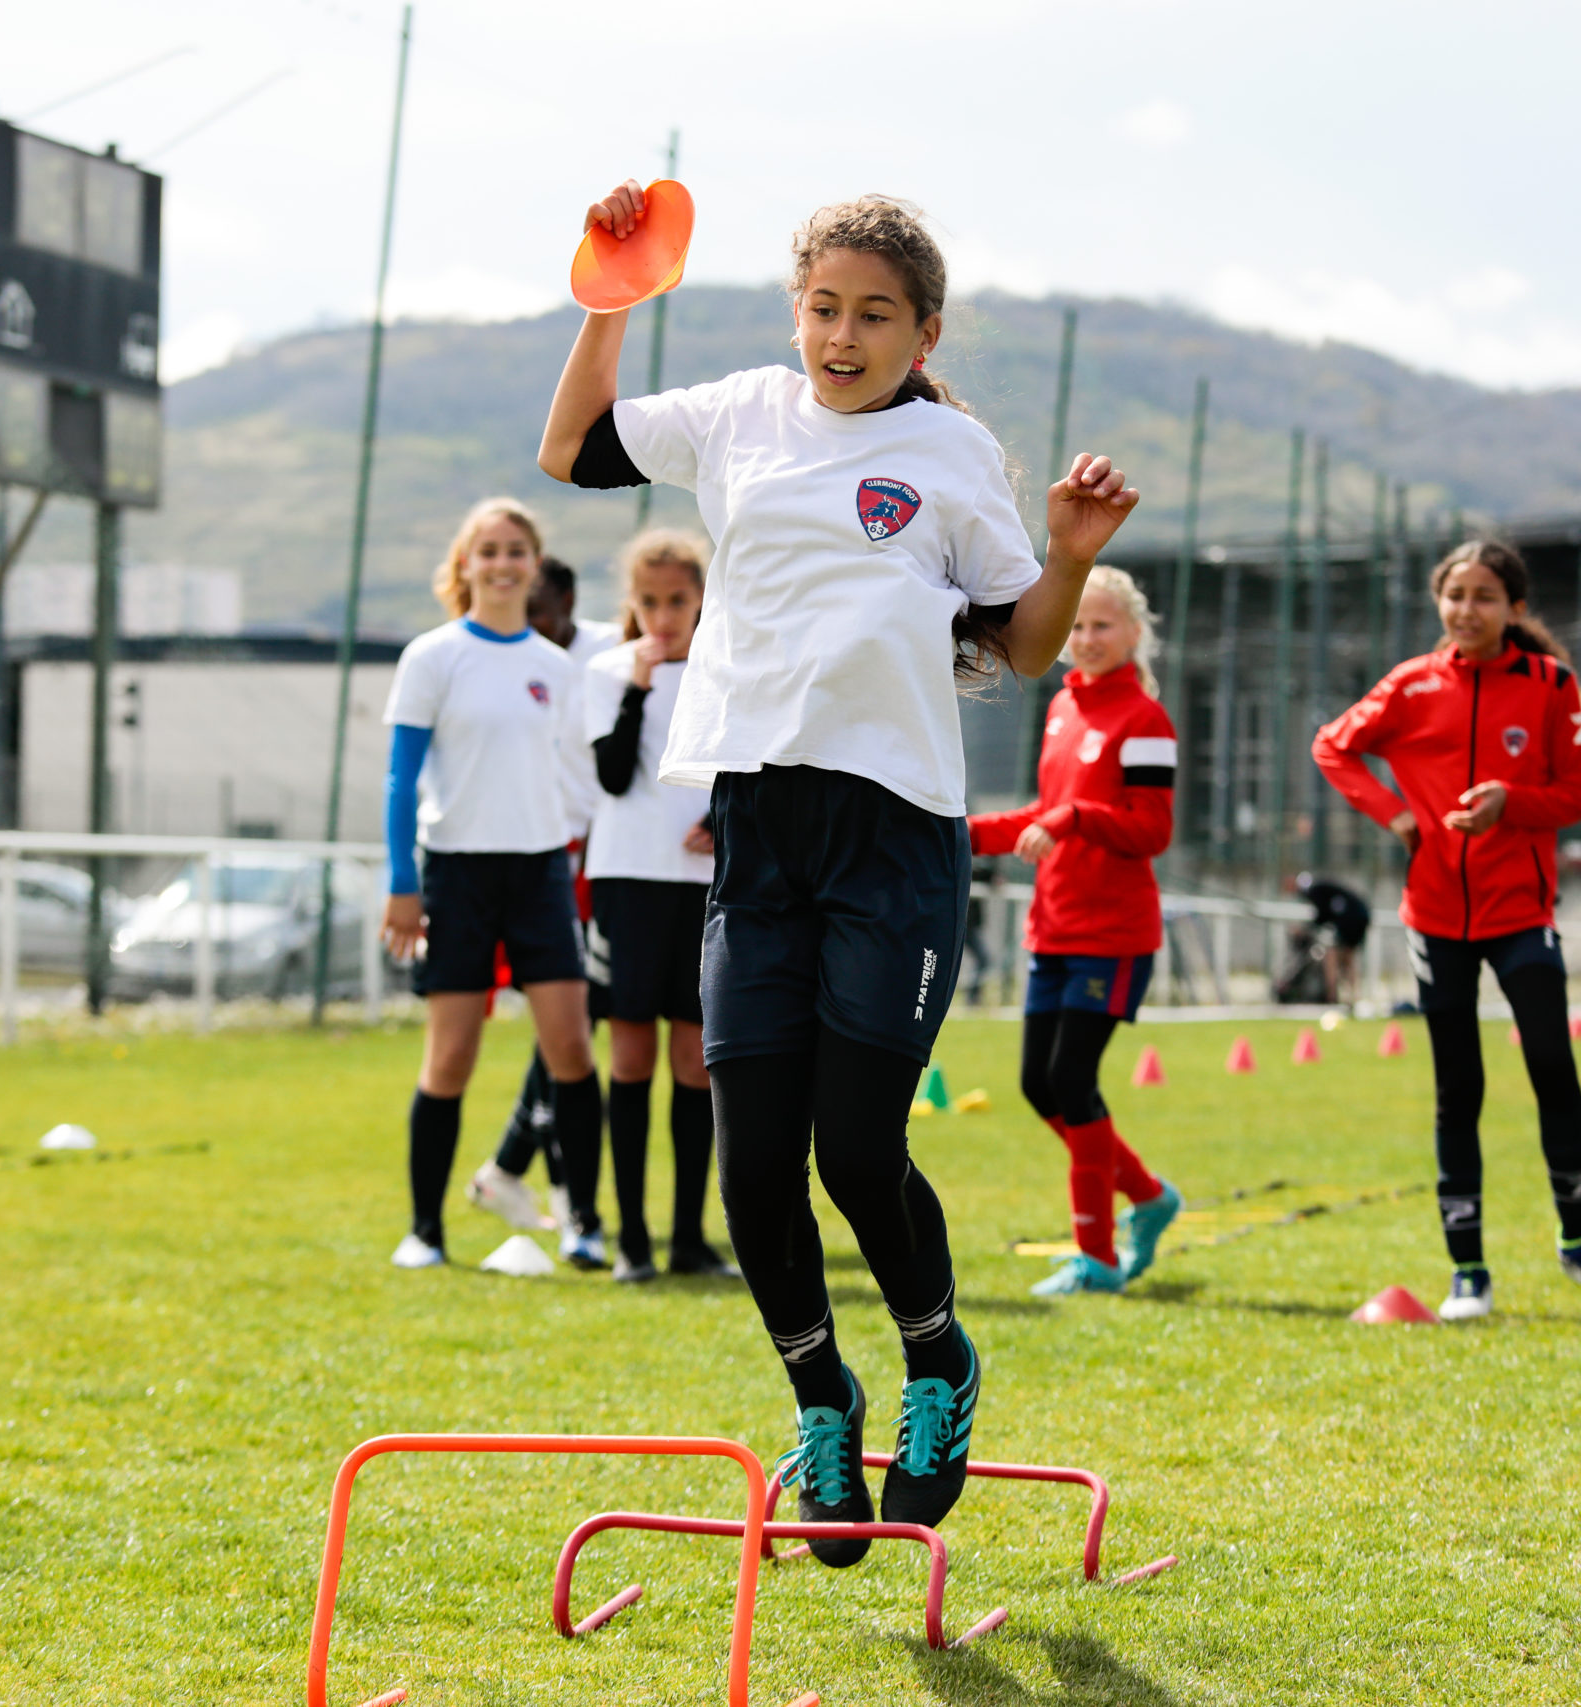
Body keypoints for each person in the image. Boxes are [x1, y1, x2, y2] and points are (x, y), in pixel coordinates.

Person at [539, 183, 1139, 1561]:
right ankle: (824, 1398)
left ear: (923, 331)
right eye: (823, 308)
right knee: (754, 1168)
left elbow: (1025, 644)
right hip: (757, 827)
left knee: (857, 1146)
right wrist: (612, 299)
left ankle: (938, 1363)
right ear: (794, 312)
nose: (842, 335)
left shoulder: (951, 450)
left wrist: (1065, 555)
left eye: (875, 314)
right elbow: (572, 445)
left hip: (894, 835)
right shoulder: (742, 413)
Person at [1313, 539, 1581, 1324]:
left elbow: (1575, 795)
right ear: (1439, 601)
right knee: (1458, 1088)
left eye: (1486, 596)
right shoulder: (1411, 684)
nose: (1468, 609)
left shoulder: (1552, 684)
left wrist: (1509, 802)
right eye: (1455, 594)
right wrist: (1394, 814)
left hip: (1523, 913)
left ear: (1515, 609)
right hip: (1435, 919)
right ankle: (1469, 1270)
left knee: (1553, 1071)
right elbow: (1333, 746)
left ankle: (1580, 1241)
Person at [380, 499, 601, 1271]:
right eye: (490, 550)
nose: (504, 563)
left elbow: (576, 775)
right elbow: (401, 780)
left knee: (571, 1048)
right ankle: (424, 1230)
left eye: (517, 551)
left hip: (540, 873)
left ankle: (583, 1222)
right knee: (450, 1059)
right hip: (457, 874)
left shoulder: (555, 667)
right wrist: (402, 883)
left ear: (534, 566)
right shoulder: (432, 657)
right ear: (465, 564)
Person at [968, 566, 1182, 1297]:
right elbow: (1044, 813)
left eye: (1102, 625)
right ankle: (1150, 1196)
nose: (1086, 639)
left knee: (1070, 1079)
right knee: (1038, 1084)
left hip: (1113, 933)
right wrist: (959, 833)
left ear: (1134, 633)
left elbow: (1152, 828)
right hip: (1052, 927)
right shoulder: (1063, 709)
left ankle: (1097, 1258)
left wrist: (1074, 818)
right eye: (1078, 626)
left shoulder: (1145, 720)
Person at [582, 529, 739, 1282]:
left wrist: (724, 823)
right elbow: (612, 777)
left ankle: (687, 1236)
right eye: (649, 601)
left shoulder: (729, 667)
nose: (664, 616)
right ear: (631, 603)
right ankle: (632, 1239)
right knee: (631, 1053)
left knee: (695, 1060)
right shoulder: (608, 671)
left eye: (678, 600)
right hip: (626, 884)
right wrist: (638, 687)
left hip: (705, 889)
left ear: (703, 597)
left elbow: (746, 768)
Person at [470, 557, 619, 1268]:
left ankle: (513, 1168)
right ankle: (541, 1180)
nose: (532, 629)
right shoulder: (504, 659)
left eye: (543, 614)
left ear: (568, 602)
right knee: (571, 1026)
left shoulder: (600, 655)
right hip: (551, 857)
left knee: (575, 1026)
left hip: (605, 854)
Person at [1286, 871, 1372, 1005]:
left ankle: (1332, 997)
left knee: (1331, 956)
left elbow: (1321, 915)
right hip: (1359, 917)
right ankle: (1353, 997)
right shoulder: (1322, 889)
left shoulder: (1312, 890)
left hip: (1351, 920)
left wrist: (1303, 930)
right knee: (1347, 958)